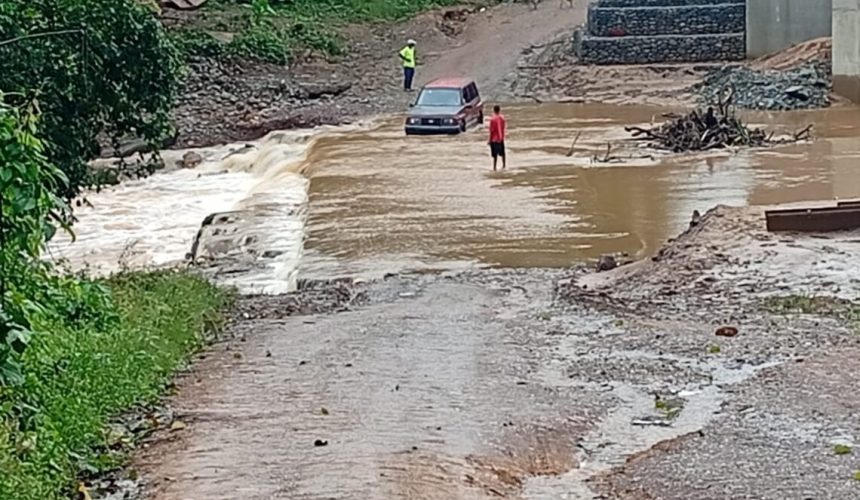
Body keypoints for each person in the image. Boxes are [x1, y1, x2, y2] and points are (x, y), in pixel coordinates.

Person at [488, 105, 506, 171]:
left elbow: (491, 131)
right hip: (501, 138)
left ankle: (494, 167)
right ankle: (504, 165)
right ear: (499, 110)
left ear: (494, 110)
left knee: (495, 154)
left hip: (494, 139)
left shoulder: (492, 119)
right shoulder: (502, 118)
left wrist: (489, 140)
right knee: (503, 153)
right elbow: (503, 128)